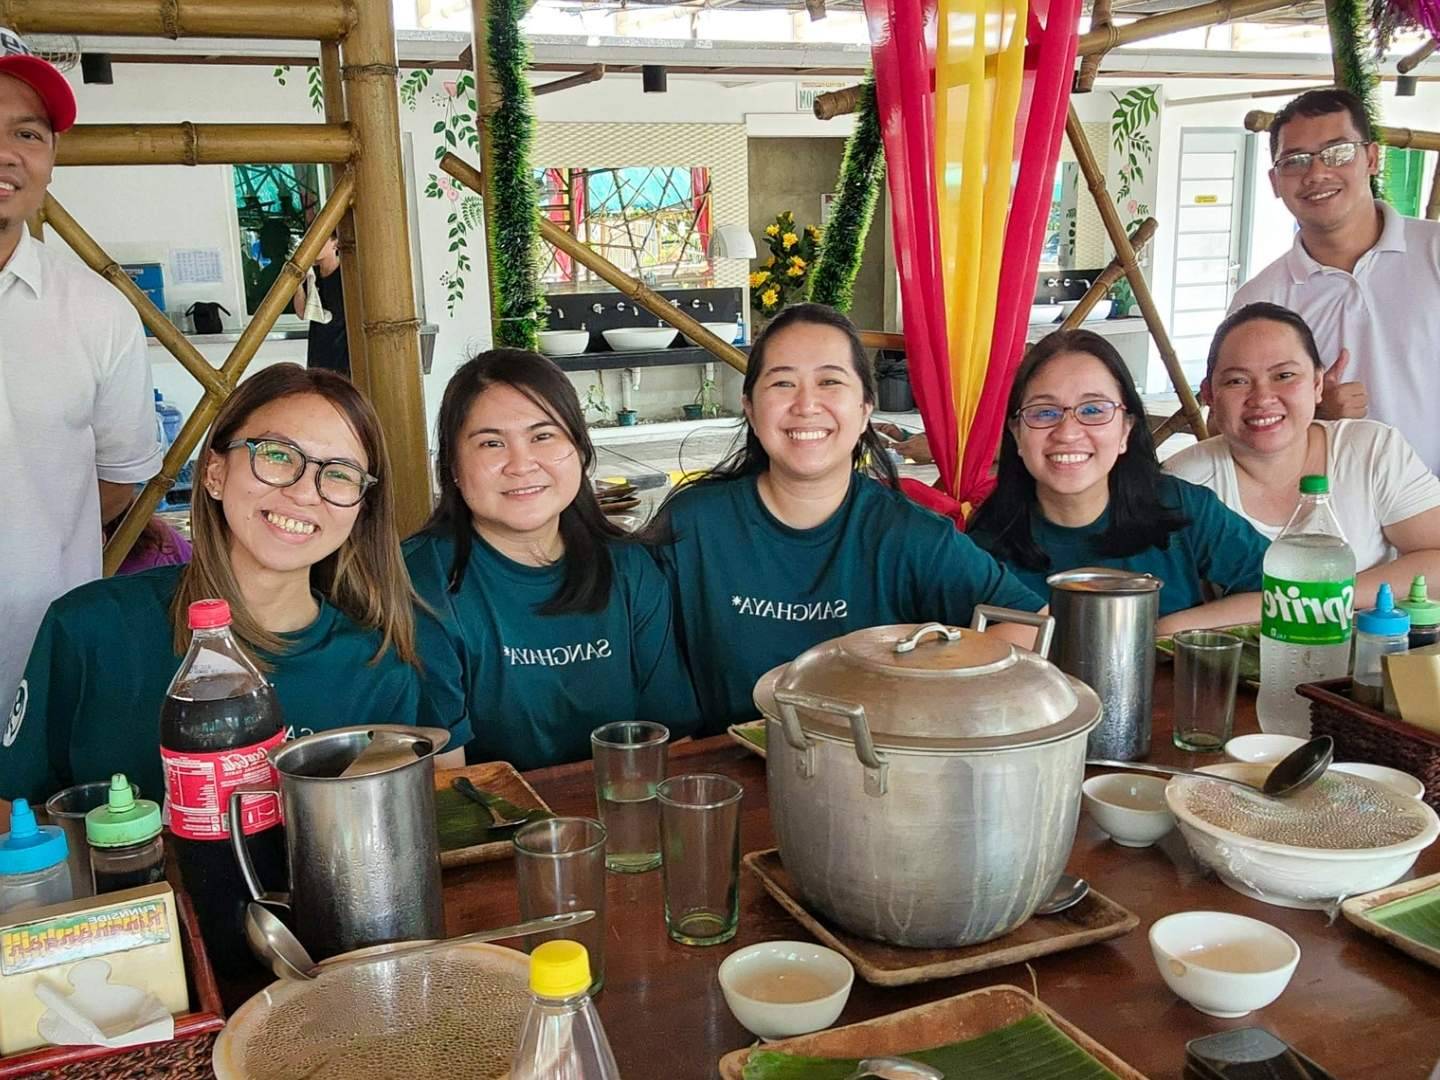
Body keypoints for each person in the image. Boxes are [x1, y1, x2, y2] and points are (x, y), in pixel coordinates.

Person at [1, 364, 469, 807]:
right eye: (278, 455)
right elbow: (14, 816)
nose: (305, 492)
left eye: (340, 474)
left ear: (360, 509)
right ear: (215, 472)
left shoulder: (378, 669)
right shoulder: (89, 629)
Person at [648, 303, 1045, 736]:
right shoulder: (694, 525)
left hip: (870, 776)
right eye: (782, 382)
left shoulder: (910, 535)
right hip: (728, 784)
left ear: (865, 408)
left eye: (830, 381)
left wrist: (934, 704)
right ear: (750, 407)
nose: (806, 404)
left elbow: (1028, 623)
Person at [405, 349, 698, 770]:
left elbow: (671, 742)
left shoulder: (630, 568)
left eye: (543, 436)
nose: (521, 465)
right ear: (451, 466)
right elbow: (446, 780)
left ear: (579, 449)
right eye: (491, 443)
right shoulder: (422, 580)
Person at [0, 27, 163, 757]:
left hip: (41, 666)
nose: (7, 152)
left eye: (28, 132)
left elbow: (118, 481)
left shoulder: (97, 314)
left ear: (51, 161)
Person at [967, 329, 1269, 634]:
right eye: (1045, 412)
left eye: (1093, 410)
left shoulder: (1181, 507)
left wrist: (1166, 630)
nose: (1068, 432)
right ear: (1017, 434)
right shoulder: (981, 547)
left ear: (1126, 430)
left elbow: (1286, 593)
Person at [1165, 302, 1440, 600]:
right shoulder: (1182, 483)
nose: (1262, 398)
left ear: (1318, 383)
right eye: (1237, 381)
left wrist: (1327, 600)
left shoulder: (1372, 450)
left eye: (1284, 376)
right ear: (1209, 395)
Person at [1231, 87, 1440, 474]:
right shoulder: (1259, 301)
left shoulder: (1434, 252)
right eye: (1295, 161)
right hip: (1329, 515)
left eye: (1338, 152)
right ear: (1275, 181)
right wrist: (1313, 415)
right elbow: (1225, 425)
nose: (1317, 173)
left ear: (1372, 157)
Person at [292, 231, 349, 377]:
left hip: (342, 349)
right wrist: (297, 285)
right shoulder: (311, 275)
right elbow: (302, 313)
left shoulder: (346, 274)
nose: (314, 246)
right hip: (318, 346)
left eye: (320, 240)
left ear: (335, 244)